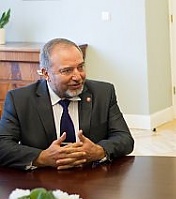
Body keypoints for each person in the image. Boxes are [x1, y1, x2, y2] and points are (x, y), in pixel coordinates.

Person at [0, 38, 134, 170]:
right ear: (46, 74)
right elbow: (2, 146)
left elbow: (125, 139)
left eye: (80, 67)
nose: (78, 77)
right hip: (43, 180)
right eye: (67, 70)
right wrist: (42, 157)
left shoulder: (103, 93)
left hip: (92, 178)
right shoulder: (20, 100)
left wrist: (98, 151)